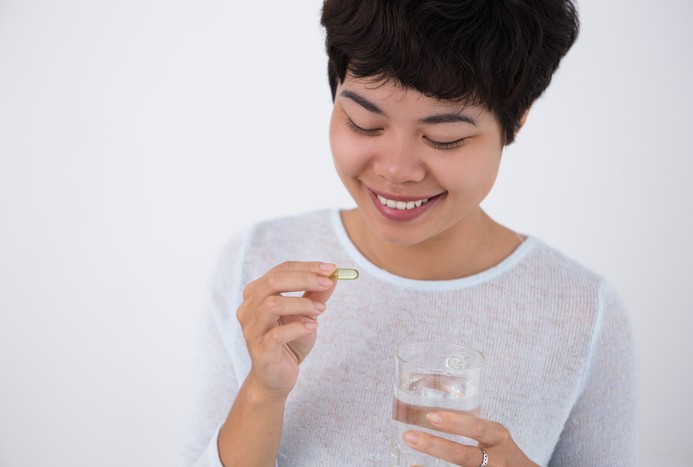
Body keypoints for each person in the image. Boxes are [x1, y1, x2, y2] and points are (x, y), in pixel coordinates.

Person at [182, 0, 638, 465]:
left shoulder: (582, 311)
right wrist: (262, 393)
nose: (397, 170)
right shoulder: (258, 261)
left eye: (444, 139)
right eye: (365, 123)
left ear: (516, 119)